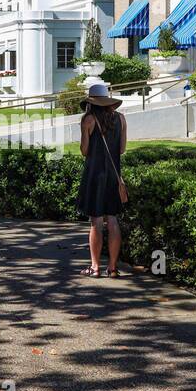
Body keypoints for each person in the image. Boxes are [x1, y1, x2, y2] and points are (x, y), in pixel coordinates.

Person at [76, 83, 126, 278]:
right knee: (112, 219)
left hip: (94, 174)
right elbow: (121, 149)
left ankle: (95, 267)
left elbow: (84, 151)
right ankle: (112, 267)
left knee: (95, 221)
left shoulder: (88, 119)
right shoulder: (121, 119)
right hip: (113, 175)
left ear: (91, 102)